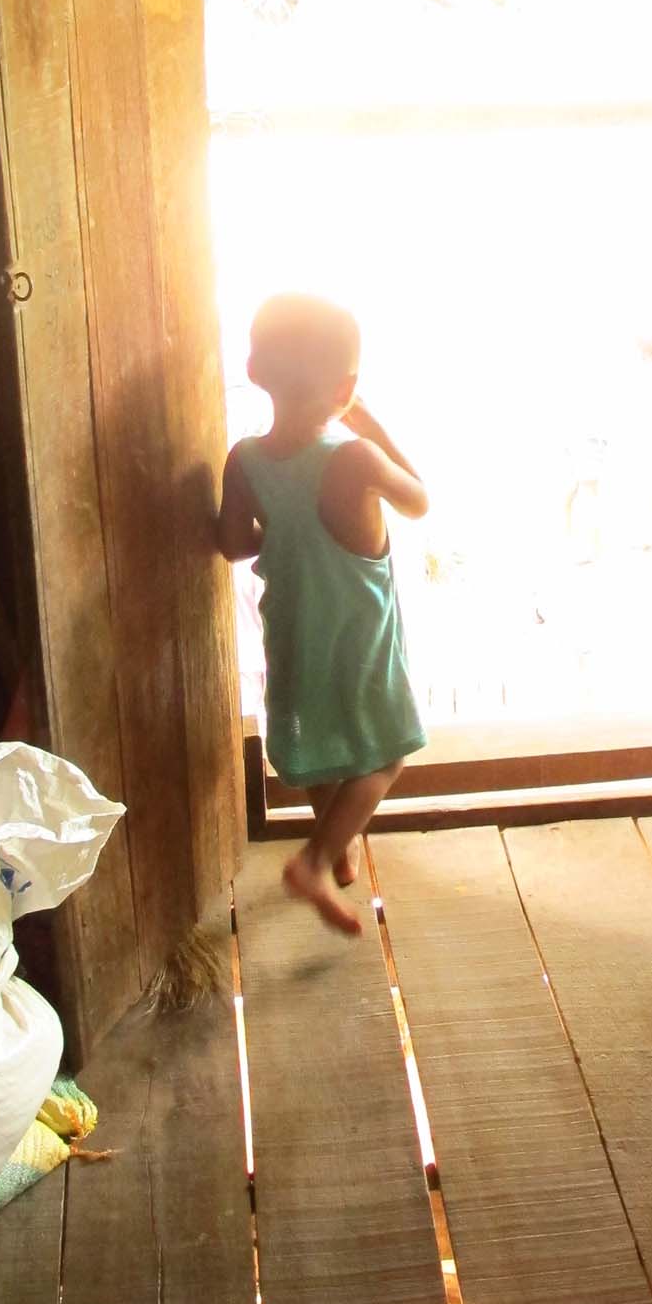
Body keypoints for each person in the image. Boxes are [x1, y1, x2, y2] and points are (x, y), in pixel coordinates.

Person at [217, 295, 428, 933]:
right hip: (361, 636)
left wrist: (284, 539)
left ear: (255, 372)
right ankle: (315, 860)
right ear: (346, 387)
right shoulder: (355, 457)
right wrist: (370, 424)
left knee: (318, 741)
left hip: (292, 626)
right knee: (385, 756)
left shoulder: (245, 459)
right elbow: (419, 500)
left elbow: (232, 543)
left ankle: (334, 852)